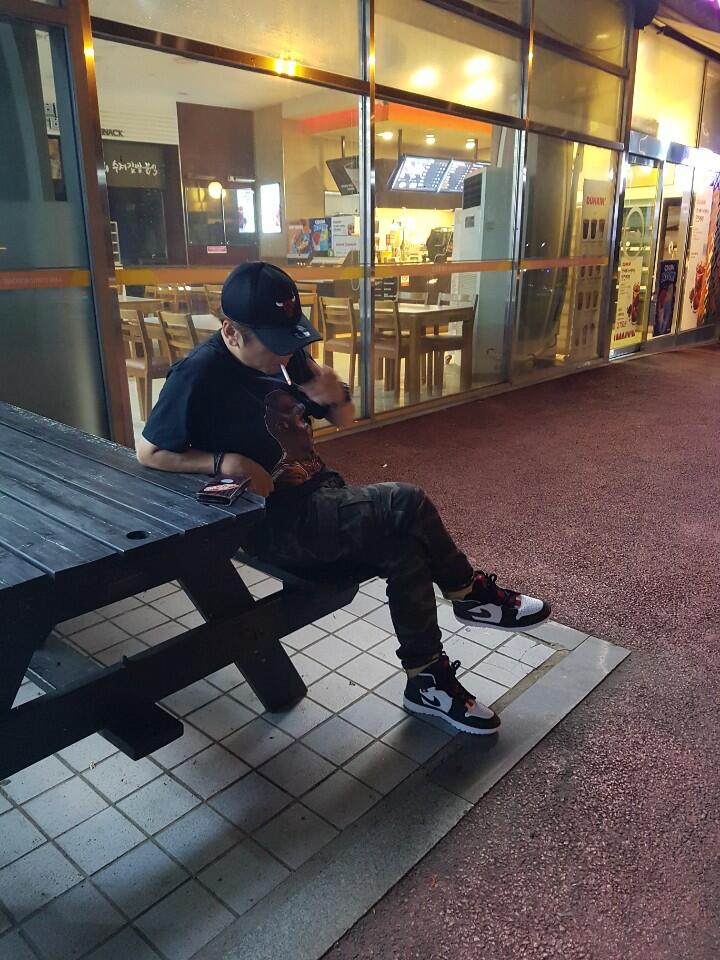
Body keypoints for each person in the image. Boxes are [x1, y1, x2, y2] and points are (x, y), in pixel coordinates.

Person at [137, 262, 550, 735]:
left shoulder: (286, 357)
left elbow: (344, 418)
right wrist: (224, 461)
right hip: (275, 526)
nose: (284, 352)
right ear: (231, 332)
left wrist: (332, 392)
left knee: (406, 550)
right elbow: (149, 452)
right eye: (273, 342)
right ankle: (468, 593)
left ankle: (426, 681)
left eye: (289, 339)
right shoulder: (198, 373)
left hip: (321, 500)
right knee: (407, 501)